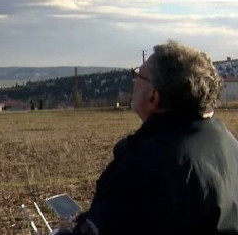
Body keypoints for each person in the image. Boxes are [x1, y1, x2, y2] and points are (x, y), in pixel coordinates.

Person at [67, 41, 238, 235]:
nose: (134, 81)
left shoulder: (144, 163)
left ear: (153, 96)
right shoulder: (228, 142)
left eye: (138, 75)